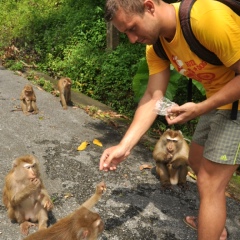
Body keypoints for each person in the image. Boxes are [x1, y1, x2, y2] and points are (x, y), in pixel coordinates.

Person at [99, 0, 240, 239]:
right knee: (195, 160)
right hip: (218, 100)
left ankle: (211, 226)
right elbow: (153, 99)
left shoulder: (207, 19)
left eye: (132, 28)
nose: (132, 39)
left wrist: (201, 108)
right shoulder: (157, 47)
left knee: (209, 182)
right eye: (126, 34)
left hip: (231, 103)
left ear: (149, 7)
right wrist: (125, 146)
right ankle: (213, 221)